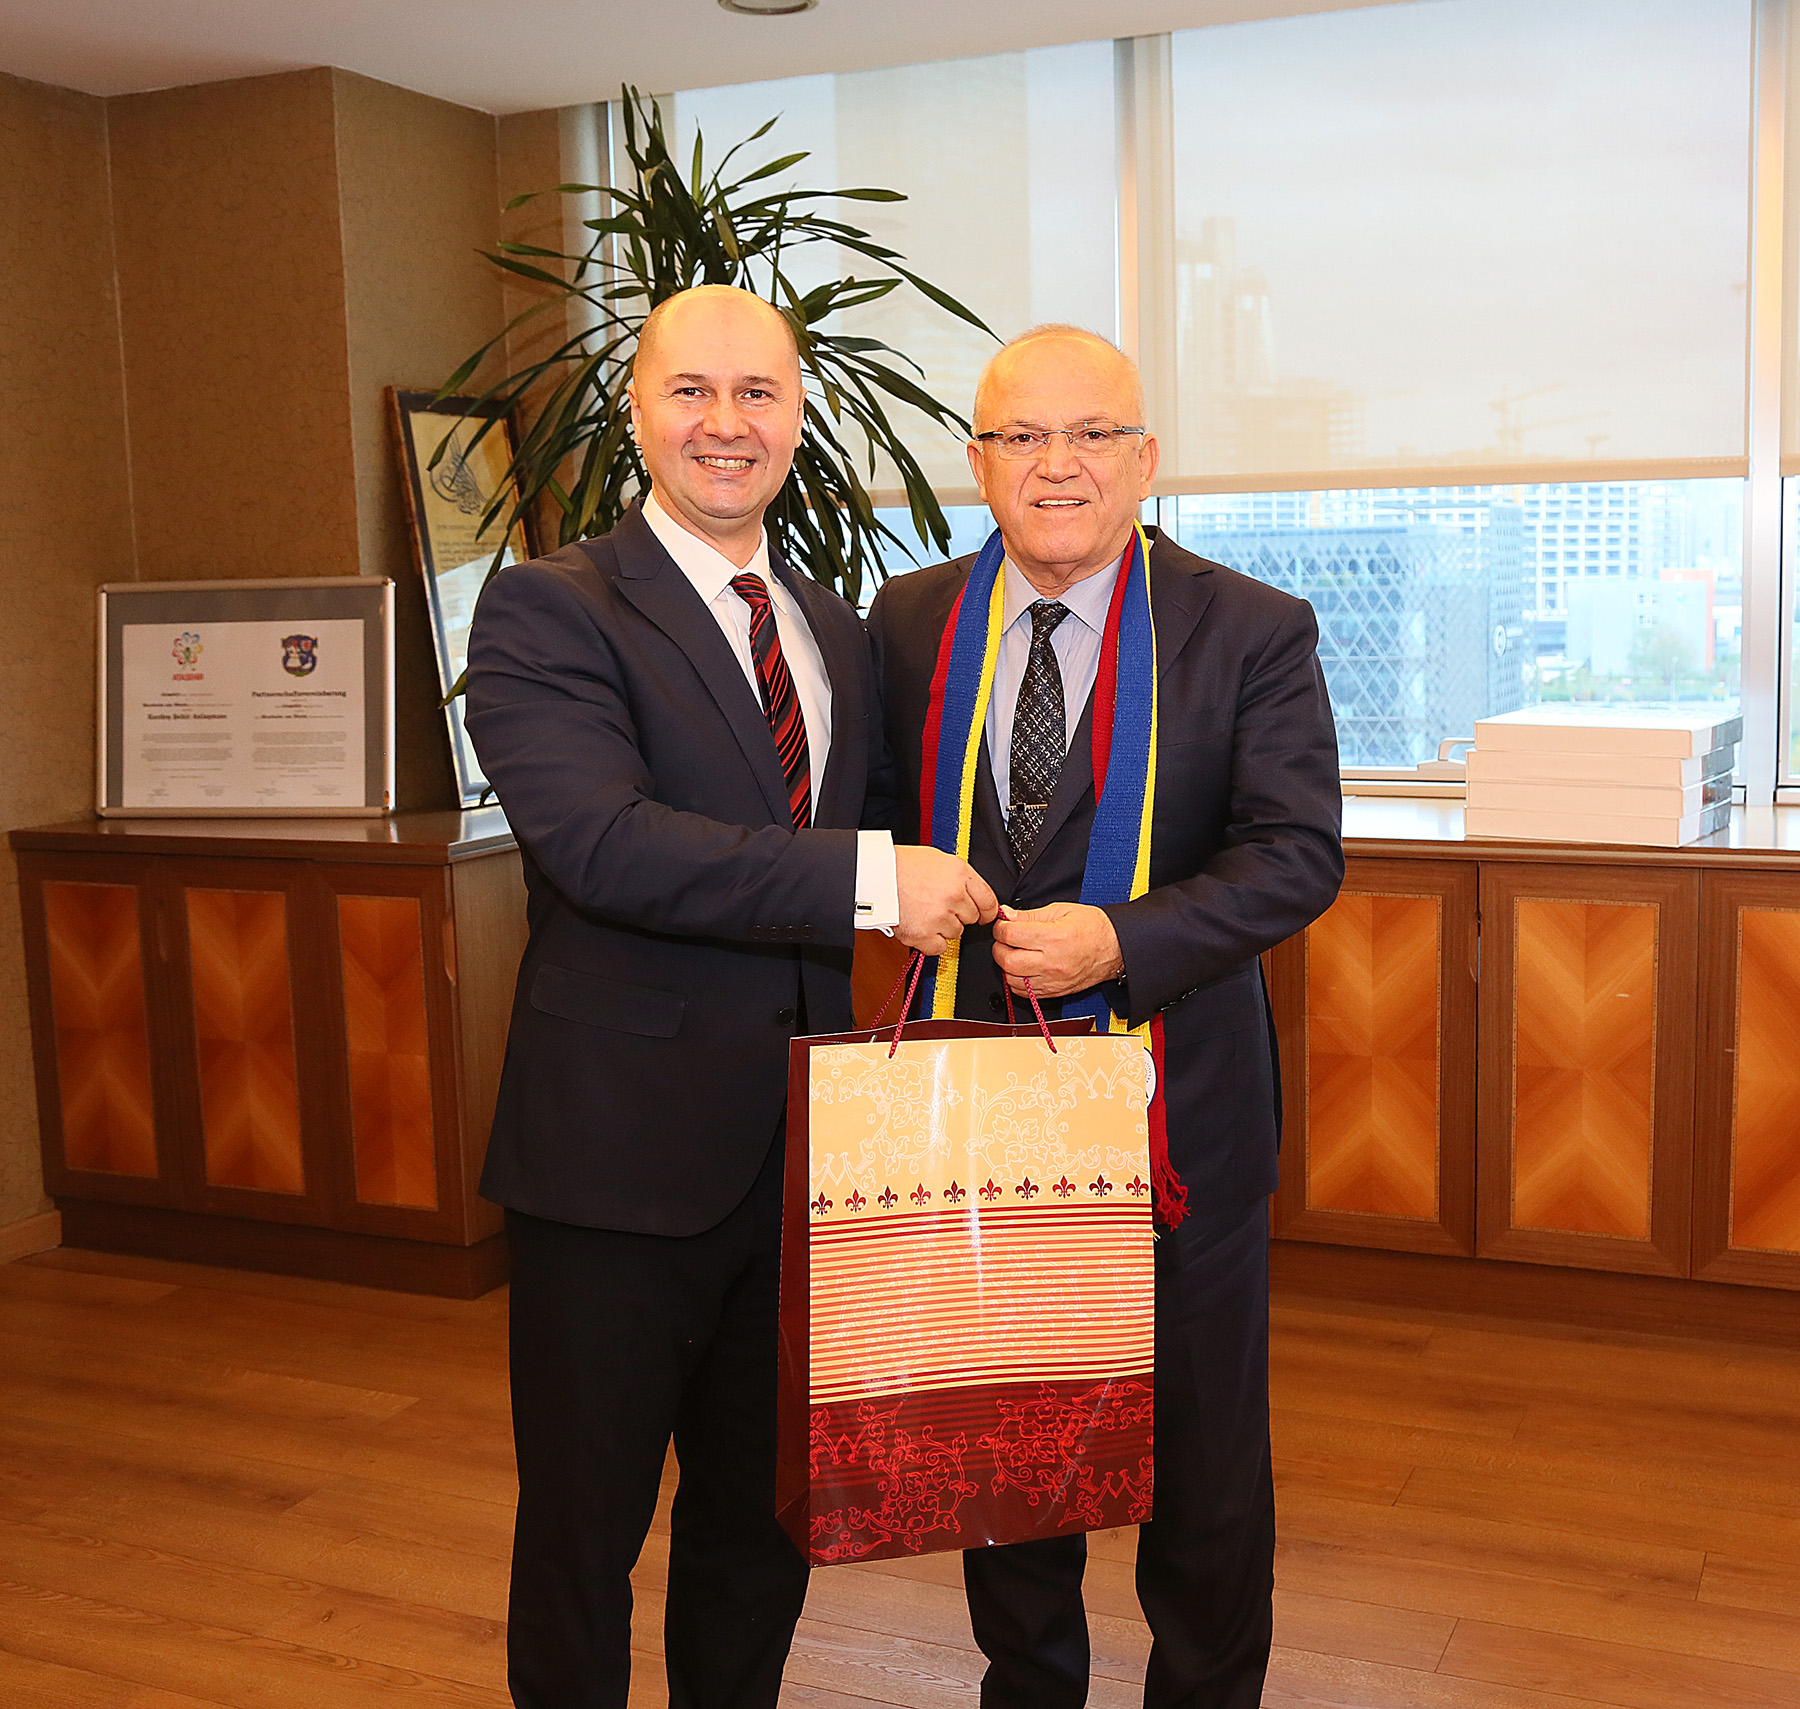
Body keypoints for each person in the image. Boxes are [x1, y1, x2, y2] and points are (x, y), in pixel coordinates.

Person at [463, 283, 998, 1709]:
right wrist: (873, 881)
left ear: (801, 415)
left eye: (757, 392)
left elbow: (898, 819)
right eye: (690, 390)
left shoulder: (832, 624)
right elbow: (602, 844)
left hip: (804, 1165)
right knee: (582, 1531)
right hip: (614, 1163)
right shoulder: (550, 606)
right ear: (636, 409)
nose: (725, 423)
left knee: (757, 1528)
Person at [864, 324, 1343, 1708]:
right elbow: (866, 830)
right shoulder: (908, 622)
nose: (1056, 464)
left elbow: (1296, 853)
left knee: (1201, 1463)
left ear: (1145, 458)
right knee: (1009, 1446)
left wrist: (1123, 941)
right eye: (1021, 436)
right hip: (977, 1113)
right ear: (977, 463)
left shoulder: (1250, 628)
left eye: (1091, 435)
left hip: (1177, 1117)